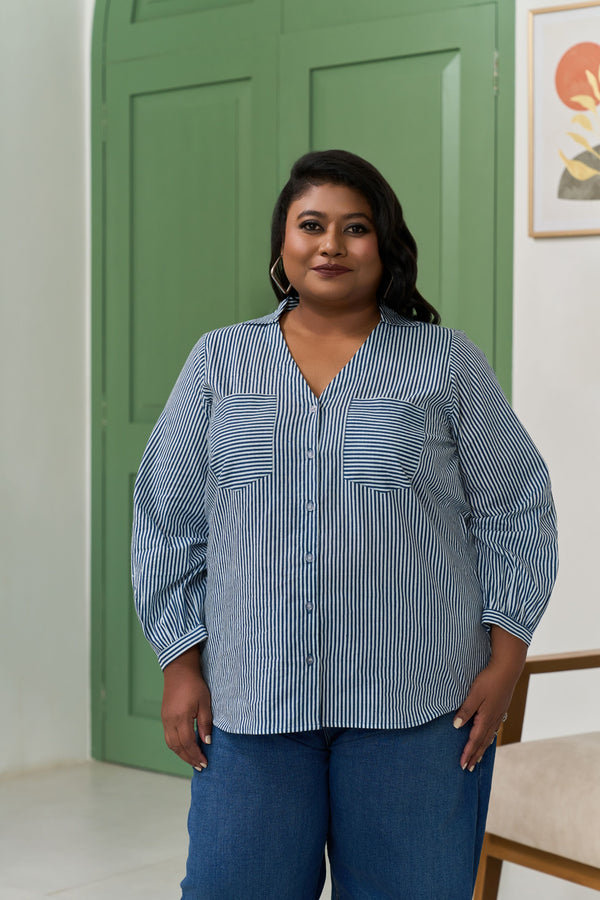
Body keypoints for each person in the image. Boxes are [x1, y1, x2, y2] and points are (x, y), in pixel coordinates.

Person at [131, 149, 558, 899]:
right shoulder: (219, 363)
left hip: (421, 707)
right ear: (282, 246)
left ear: (384, 245)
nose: (331, 244)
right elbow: (167, 518)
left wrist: (508, 656)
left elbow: (516, 507)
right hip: (252, 702)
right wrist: (179, 665)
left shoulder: (443, 363)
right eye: (312, 225)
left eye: (355, 227)